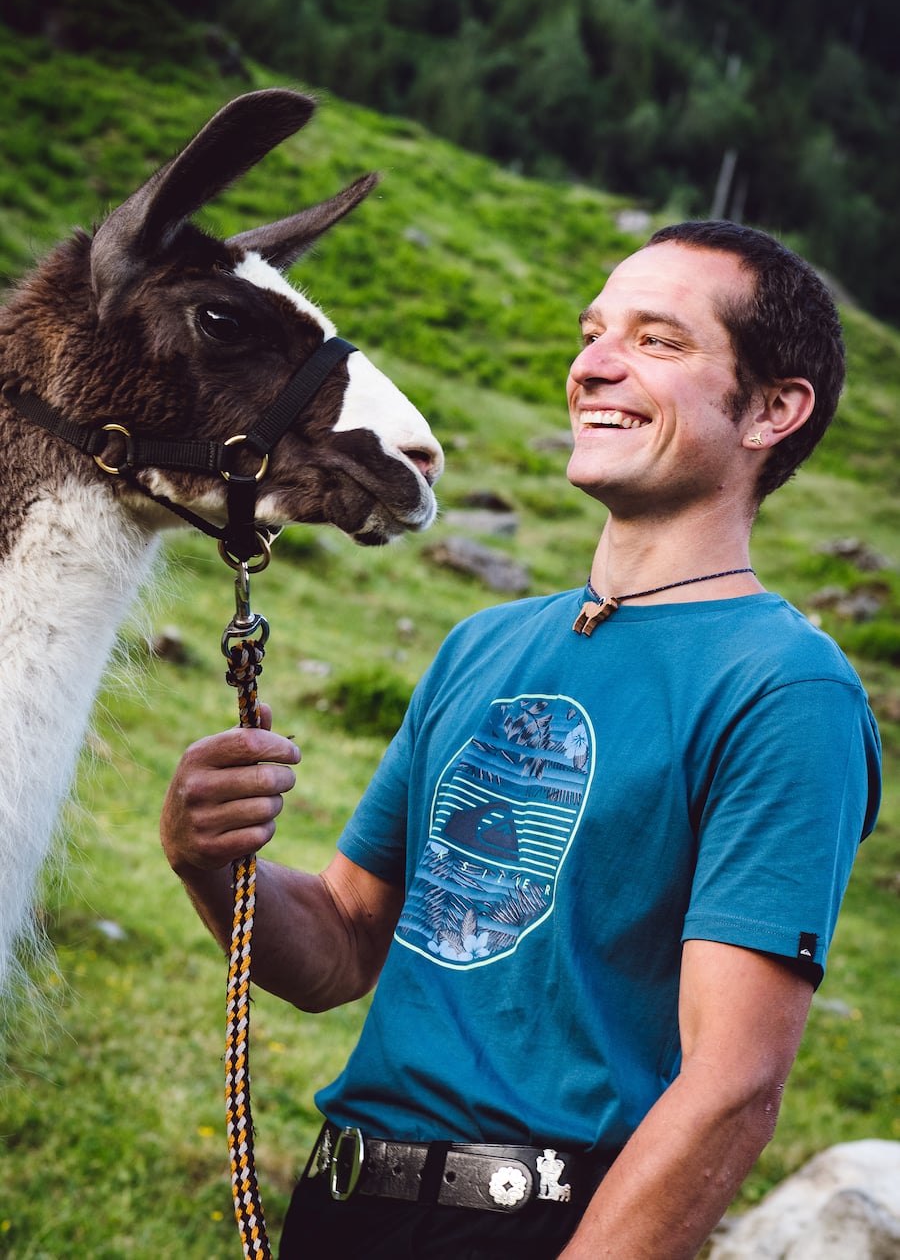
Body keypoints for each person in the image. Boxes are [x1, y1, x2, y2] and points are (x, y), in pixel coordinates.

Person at [161, 220, 881, 1259]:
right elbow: (342, 947)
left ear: (774, 408)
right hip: (341, 1205)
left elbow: (732, 1087)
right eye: (593, 333)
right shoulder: (483, 642)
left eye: (658, 340)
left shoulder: (785, 688)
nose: (593, 365)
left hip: (544, 1228)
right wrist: (208, 863)